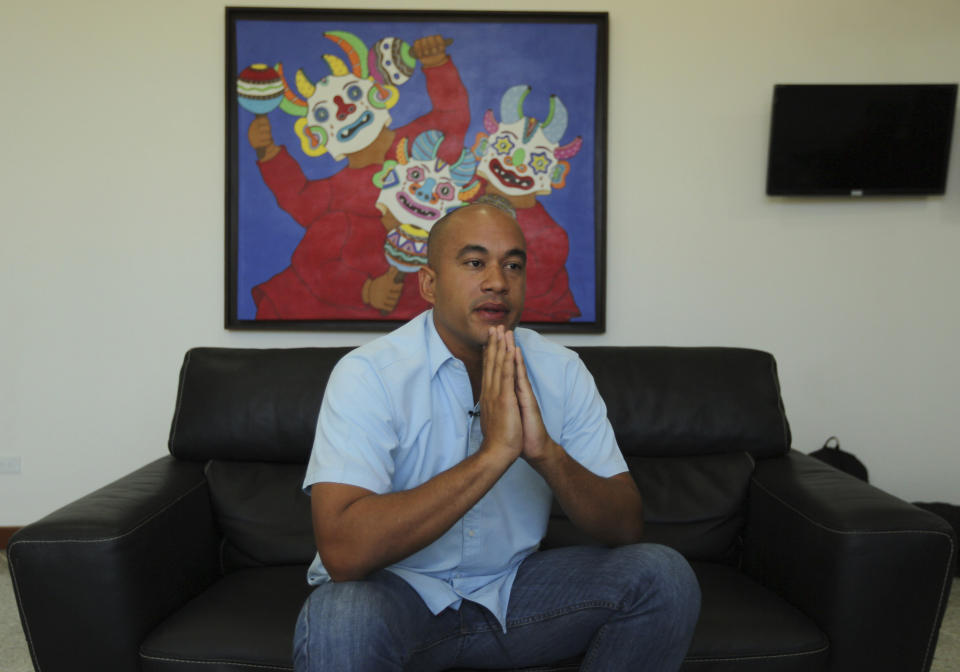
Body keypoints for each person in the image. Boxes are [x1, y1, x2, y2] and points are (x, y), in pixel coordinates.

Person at [294, 196, 701, 671]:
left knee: (661, 575)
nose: (497, 283)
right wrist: (493, 456)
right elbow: (343, 552)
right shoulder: (369, 374)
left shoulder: (561, 371)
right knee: (341, 614)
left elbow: (626, 526)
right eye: (473, 263)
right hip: (396, 595)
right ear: (429, 283)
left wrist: (544, 453)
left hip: (515, 595)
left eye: (513, 265)